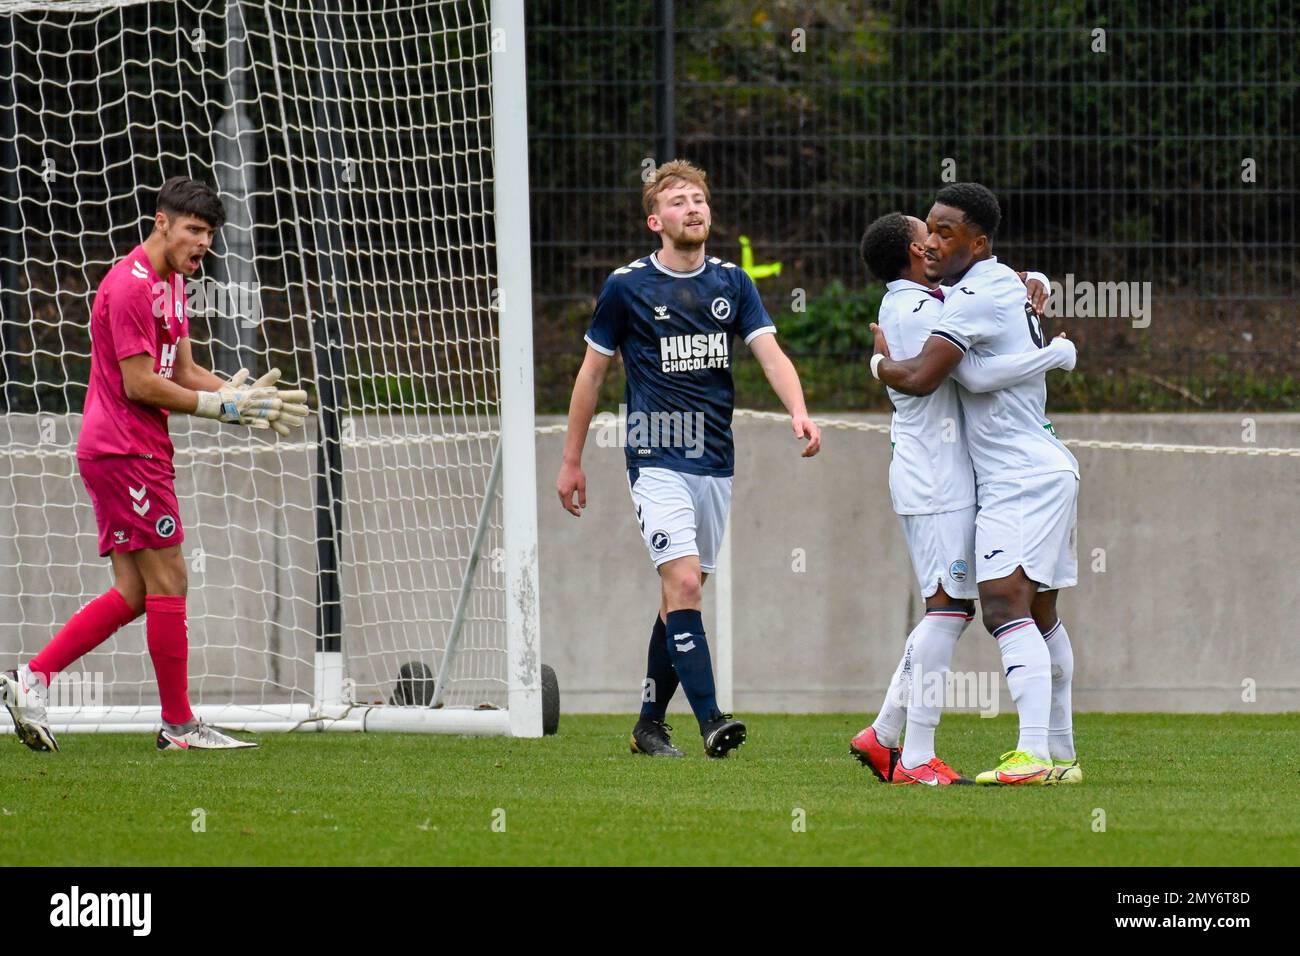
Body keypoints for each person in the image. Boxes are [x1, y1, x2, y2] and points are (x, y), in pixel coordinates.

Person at [2, 177, 308, 753]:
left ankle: (30, 679)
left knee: (136, 591)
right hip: (125, 452)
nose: (202, 245)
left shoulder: (172, 284)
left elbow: (184, 371)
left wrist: (244, 401)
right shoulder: (130, 287)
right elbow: (141, 383)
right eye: (193, 230)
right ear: (161, 222)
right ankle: (180, 726)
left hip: (132, 451)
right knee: (172, 579)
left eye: (209, 235)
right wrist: (220, 408)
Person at [556, 160, 821, 758]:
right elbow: (592, 373)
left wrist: (799, 409)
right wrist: (572, 460)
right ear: (656, 220)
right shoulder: (626, 287)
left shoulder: (733, 284)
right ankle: (711, 721)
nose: (693, 208)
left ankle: (649, 724)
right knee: (682, 583)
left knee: (680, 597)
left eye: (699, 198)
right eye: (677, 201)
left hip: (716, 461)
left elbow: (769, 354)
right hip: (654, 456)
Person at [870, 184, 1082, 785]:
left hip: (1017, 476)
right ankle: (1058, 756)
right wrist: (1049, 335)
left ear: (978, 242)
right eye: (927, 232)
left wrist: (878, 364)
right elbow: (980, 373)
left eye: (944, 233)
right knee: (1036, 612)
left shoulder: (963, 300)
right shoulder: (987, 287)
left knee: (995, 605)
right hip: (1037, 467)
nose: (932, 243)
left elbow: (923, 376)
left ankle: (1030, 754)